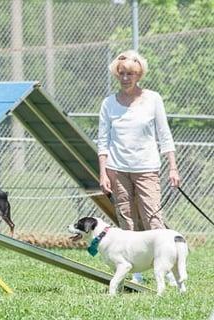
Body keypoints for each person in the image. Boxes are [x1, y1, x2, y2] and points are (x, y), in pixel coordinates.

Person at [97, 50, 181, 284]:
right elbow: (103, 141)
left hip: (147, 168)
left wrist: (172, 167)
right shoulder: (108, 104)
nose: (126, 78)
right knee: (127, 221)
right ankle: (136, 273)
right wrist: (103, 172)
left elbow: (165, 135)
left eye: (131, 73)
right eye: (122, 73)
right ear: (117, 74)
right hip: (117, 169)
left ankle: (168, 271)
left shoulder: (153, 99)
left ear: (139, 74)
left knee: (153, 218)